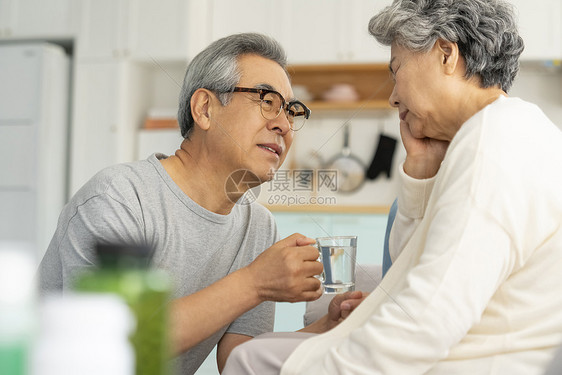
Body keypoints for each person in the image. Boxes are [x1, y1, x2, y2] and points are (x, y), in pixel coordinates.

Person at [222, 1, 562, 374]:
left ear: (446, 55)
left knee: (253, 361)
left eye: (396, 70)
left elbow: (425, 323)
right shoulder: (513, 130)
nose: (393, 96)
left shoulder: (493, 142)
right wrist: (419, 171)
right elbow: (407, 277)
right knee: (254, 356)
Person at [38, 33, 362, 374]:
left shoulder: (258, 225)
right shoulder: (118, 199)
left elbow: (240, 358)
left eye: (291, 110)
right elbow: (113, 347)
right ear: (205, 109)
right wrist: (254, 282)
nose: (283, 124)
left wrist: (326, 328)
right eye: (267, 100)